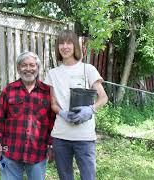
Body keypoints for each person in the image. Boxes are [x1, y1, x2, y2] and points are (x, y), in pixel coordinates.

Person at [44, 30, 108, 180]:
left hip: (84, 137)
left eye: (69, 43)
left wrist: (90, 109)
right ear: (57, 47)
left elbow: (103, 98)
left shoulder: (88, 69)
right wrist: (63, 114)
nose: (65, 46)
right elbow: (53, 103)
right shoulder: (52, 73)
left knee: (88, 177)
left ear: (75, 46)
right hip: (60, 137)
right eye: (61, 43)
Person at [0, 51, 55, 180]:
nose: (28, 69)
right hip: (11, 151)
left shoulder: (47, 92)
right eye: (24, 65)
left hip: (38, 152)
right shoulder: (9, 90)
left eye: (32, 65)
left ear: (37, 68)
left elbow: (53, 121)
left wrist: (51, 145)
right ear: (19, 68)